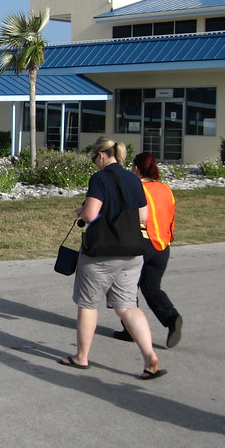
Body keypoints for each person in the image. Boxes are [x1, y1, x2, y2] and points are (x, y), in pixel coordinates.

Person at [59, 138, 166, 380]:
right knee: (127, 306)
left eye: (93, 157)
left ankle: (81, 357)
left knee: (88, 305)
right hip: (132, 253)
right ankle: (149, 356)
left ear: (100, 155)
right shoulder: (133, 178)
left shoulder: (100, 179)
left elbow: (90, 214)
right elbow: (144, 216)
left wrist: (83, 210)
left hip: (101, 254)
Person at [111, 152, 184, 348]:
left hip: (141, 244)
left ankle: (130, 329)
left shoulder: (135, 189)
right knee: (152, 288)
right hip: (162, 245)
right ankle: (172, 318)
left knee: (126, 287)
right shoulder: (165, 189)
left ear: (136, 168)